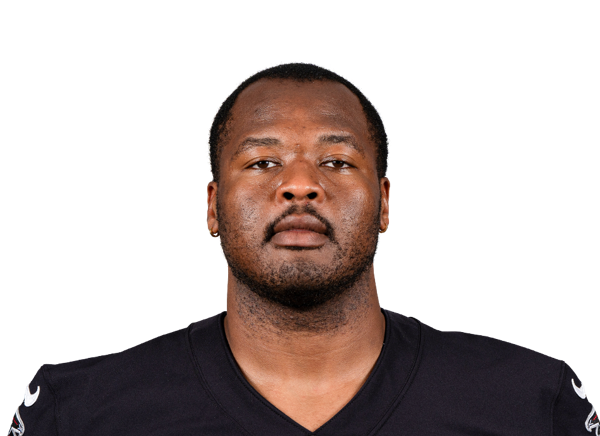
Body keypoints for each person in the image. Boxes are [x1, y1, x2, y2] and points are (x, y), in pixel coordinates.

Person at [9, 62, 597, 435]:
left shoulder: (530, 403)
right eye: (262, 162)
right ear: (212, 206)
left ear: (384, 201)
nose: (299, 184)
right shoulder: (77, 412)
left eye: (336, 161)